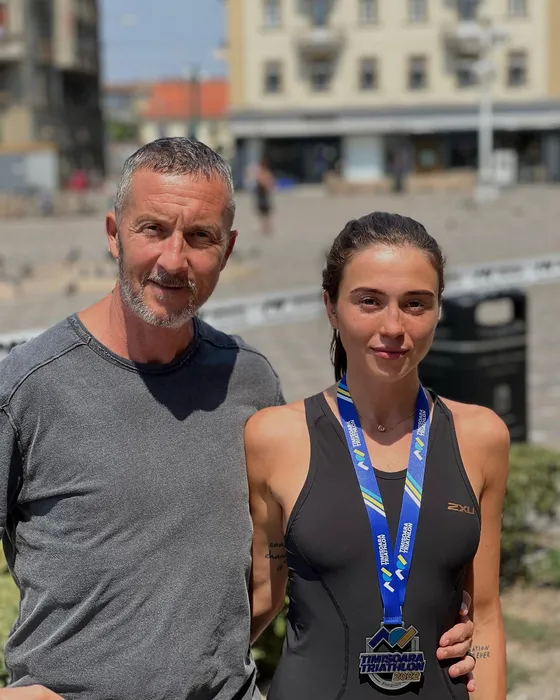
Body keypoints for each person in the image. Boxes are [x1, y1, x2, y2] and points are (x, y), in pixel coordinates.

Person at [0, 141, 475, 700]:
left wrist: (446, 615)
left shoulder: (248, 381)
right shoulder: (29, 387)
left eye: (200, 236)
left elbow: (286, 567)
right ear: (113, 234)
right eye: (153, 229)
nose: (173, 259)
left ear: (227, 250)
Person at [246, 212, 508, 699]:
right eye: (369, 301)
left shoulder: (481, 437)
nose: (393, 326)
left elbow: (487, 615)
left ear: (438, 309)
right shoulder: (274, 437)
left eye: (415, 304)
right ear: (331, 306)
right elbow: (262, 595)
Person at [252, 159, 275, 237]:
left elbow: (265, 182)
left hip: (263, 195)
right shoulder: (263, 172)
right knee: (264, 213)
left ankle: (266, 228)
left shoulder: (264, 172)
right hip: (262, 195)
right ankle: (265, 228)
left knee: (265, 212)